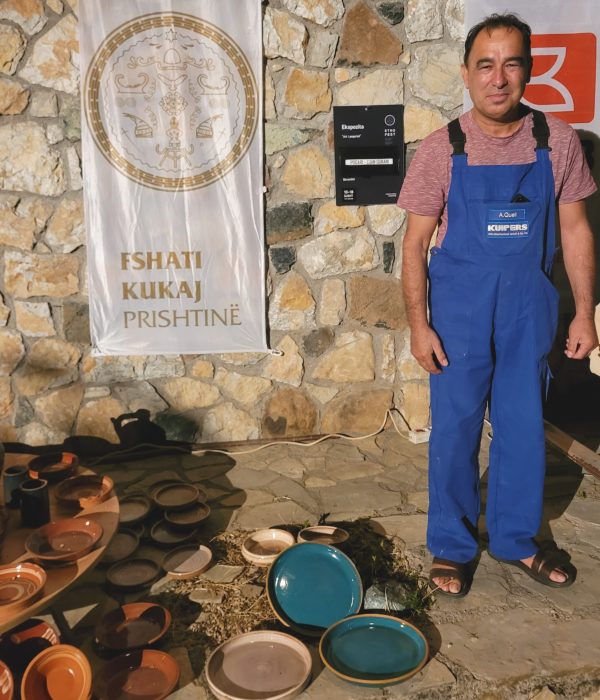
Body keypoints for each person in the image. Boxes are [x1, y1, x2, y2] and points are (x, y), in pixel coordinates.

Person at [399, 13, 598, 596]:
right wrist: (419, 325)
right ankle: (453, 546)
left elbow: (578, 230)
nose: (498, 77)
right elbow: (413, 243)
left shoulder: (557, 142)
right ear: (466, 73)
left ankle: (516, 539)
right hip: (458, 315)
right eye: (485, 64)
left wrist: (585, 310)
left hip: (526, 310)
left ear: (529, 70)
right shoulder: (442, 148)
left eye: (511, 63)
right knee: (455, 431)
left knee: (520, 426)